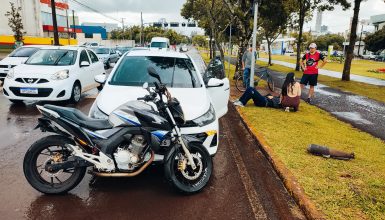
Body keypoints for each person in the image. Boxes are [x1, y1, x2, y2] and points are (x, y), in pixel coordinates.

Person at [234, 72, 301, 112]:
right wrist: (272, 96)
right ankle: (240, 100)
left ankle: (242, 102)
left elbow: (282, 102)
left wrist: (272, 98)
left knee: (251, 89)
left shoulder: (283, 102)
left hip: (264, 102)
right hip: (264, 100)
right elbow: (281, 98)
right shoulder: (283, 95)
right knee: (250, 89)